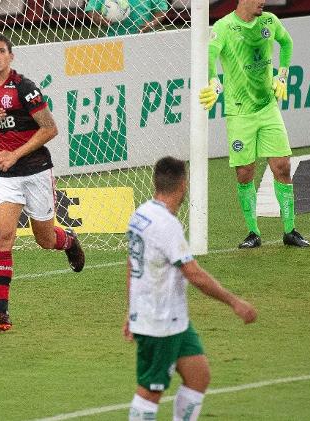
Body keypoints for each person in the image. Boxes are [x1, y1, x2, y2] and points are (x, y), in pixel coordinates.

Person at [124, 156, 257, 421]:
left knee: (198, 376)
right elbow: (193, 274)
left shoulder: (141, 215)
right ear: (183, 185)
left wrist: (131, 310)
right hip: (158, 321)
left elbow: (131, 264)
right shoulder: (166, 225)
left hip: (174, 320)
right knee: (151, 391)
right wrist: (235, 302)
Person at [0, 33, 85, 332]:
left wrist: (15, 154)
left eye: (1, 51)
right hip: (3, 175)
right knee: (2, 238)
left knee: (45, 240)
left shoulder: (25, 89)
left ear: (11, 56)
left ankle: (69, 241)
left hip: (35, 171)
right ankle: (2, 312)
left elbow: (50, 128)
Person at [199, 0, 310, 248]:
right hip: (239, 114)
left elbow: (287, 42)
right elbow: (210, 54)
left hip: (268, 108)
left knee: (282, 166)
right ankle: (253, 233)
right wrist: (215, 84)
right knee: (244, 172)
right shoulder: (224, 26)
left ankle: (290, 230)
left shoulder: (269, 21)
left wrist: (281, 76)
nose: (264, 2)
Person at [85, 0, 168, 37]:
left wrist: (152, 23)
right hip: (113, 38)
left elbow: (162, 9)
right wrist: (98, 18)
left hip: (144, 38)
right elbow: (91, 10)